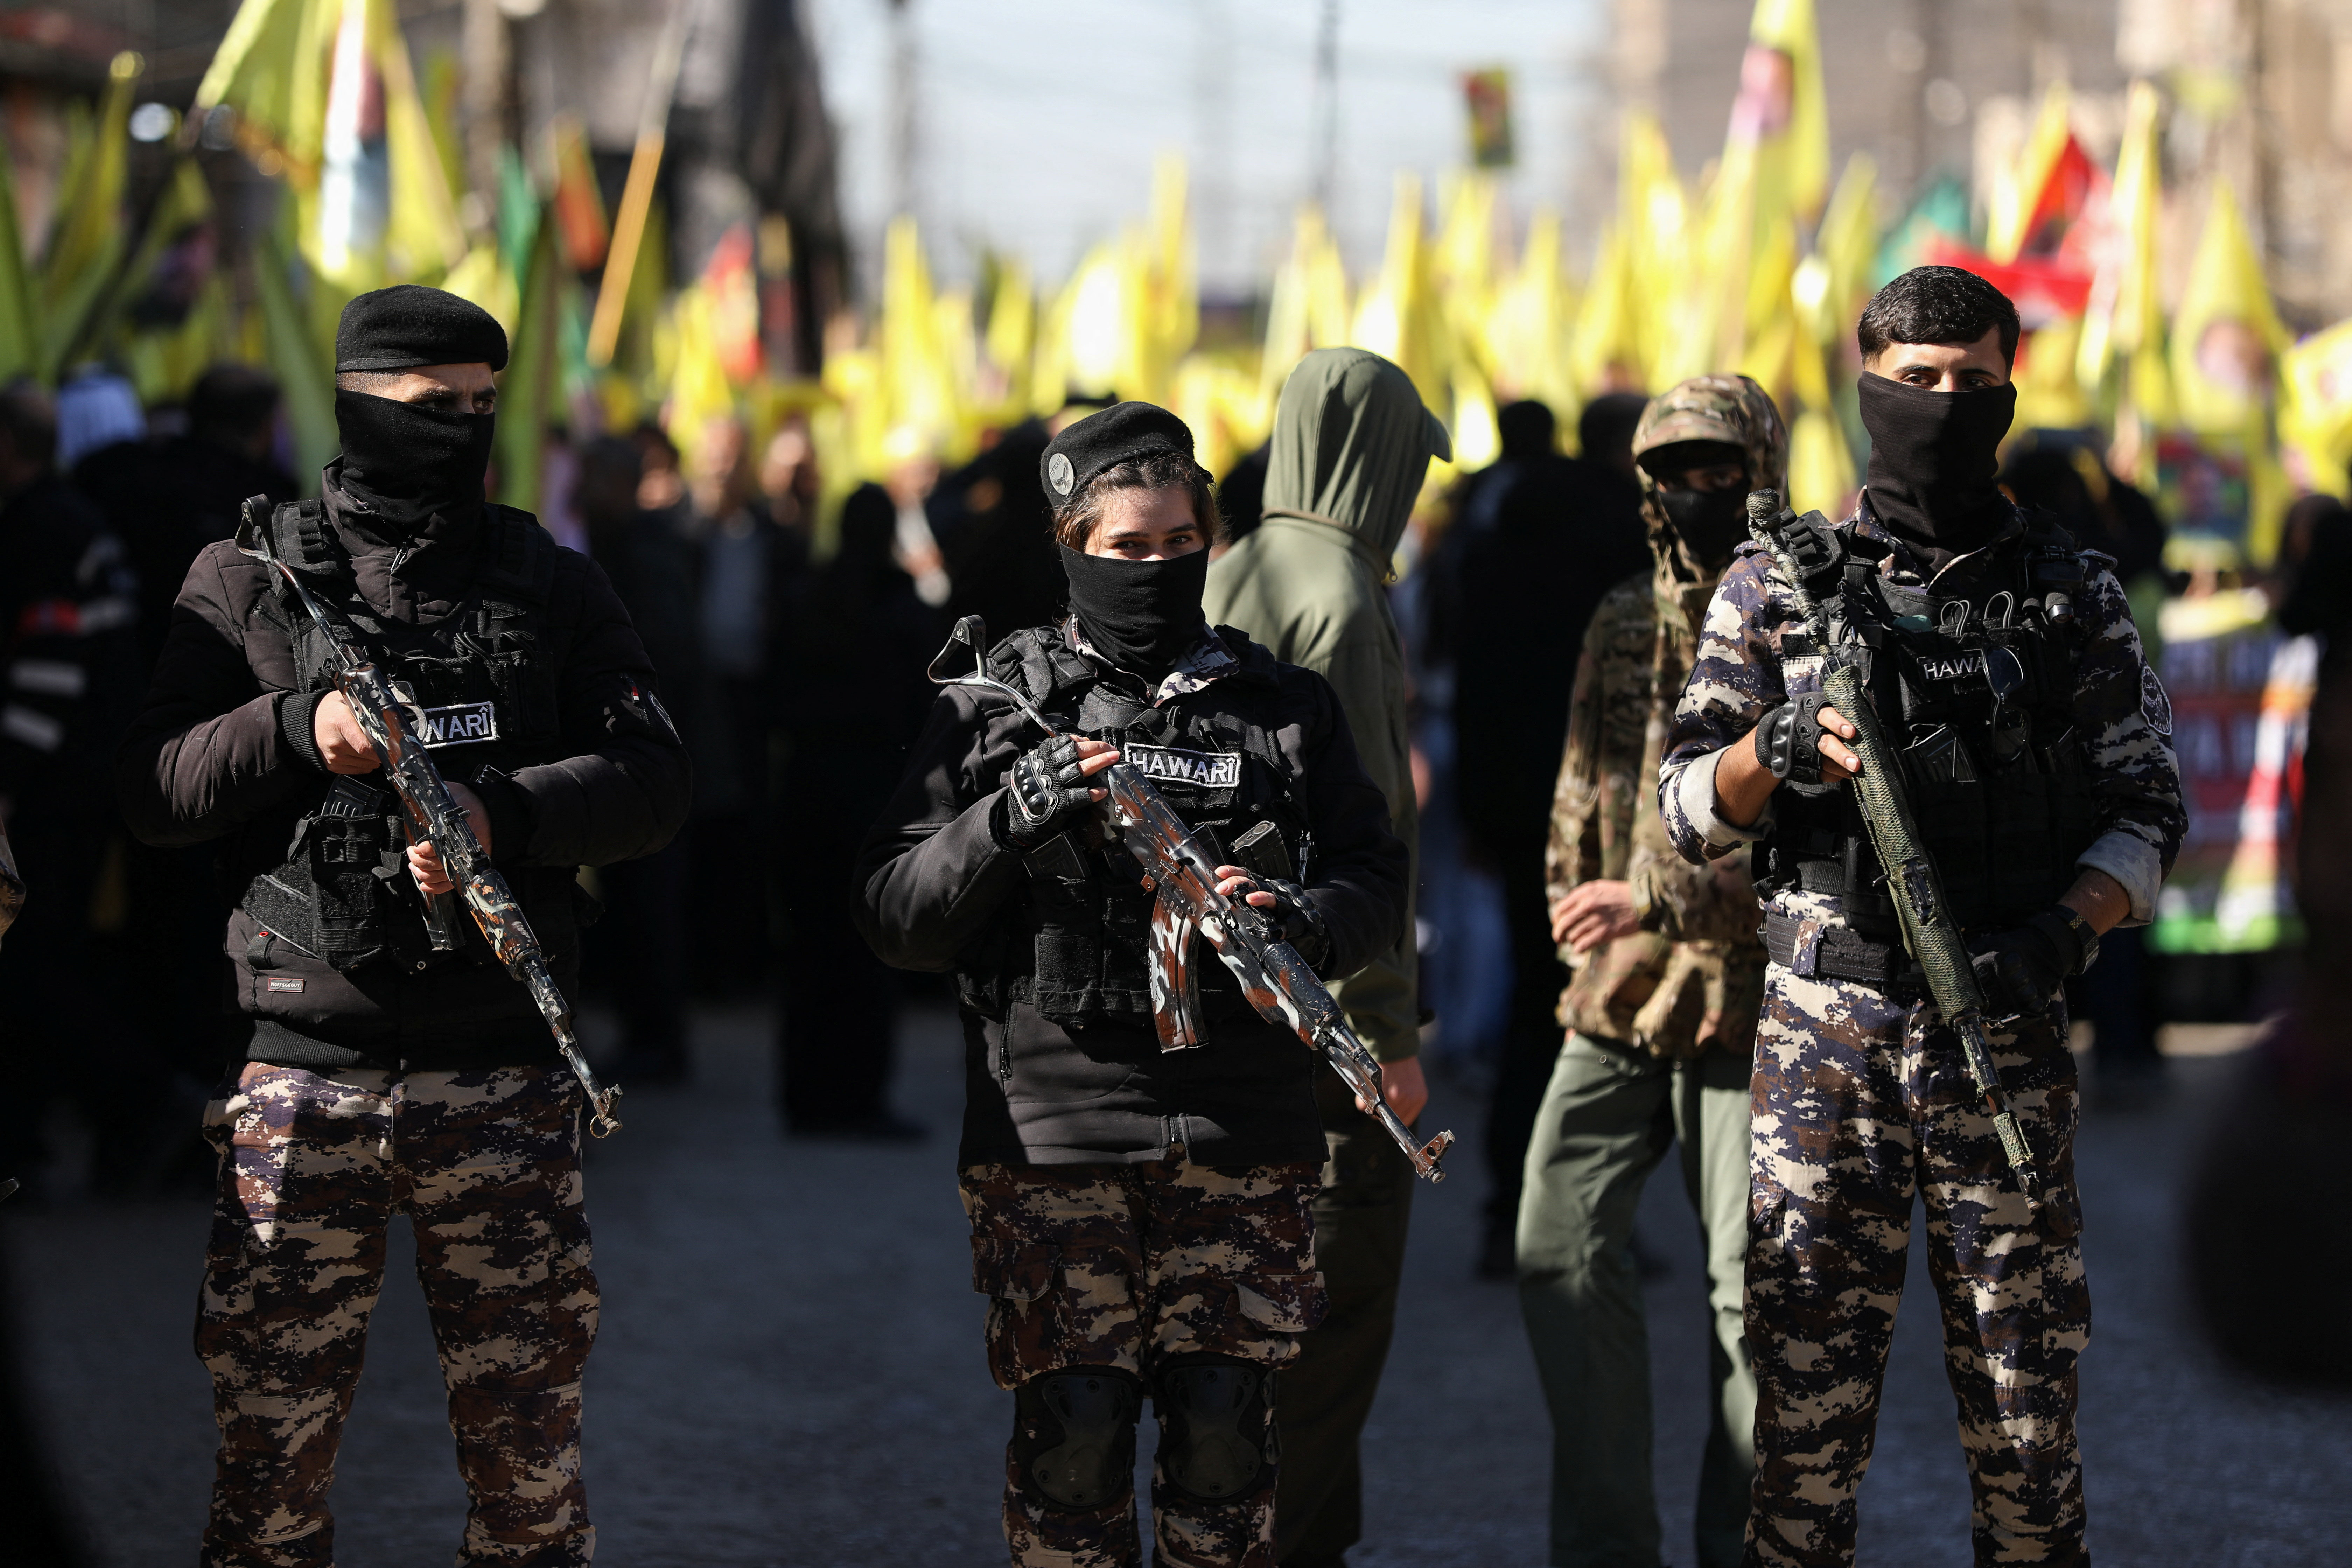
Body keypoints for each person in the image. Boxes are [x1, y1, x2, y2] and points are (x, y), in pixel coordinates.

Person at [115, 285, 692, 1568]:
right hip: (303, 1080)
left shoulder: (549, 580)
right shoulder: (247, 581)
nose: (466, 431)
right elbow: (150, 790)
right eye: (436, 409)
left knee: (527, 1479)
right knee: (267, 1475)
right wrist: (291, 731)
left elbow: (655, 780)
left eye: (485, 407)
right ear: (361, 404)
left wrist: (504, 815)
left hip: (500, 1077)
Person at [1658, 266, 2185, 1567]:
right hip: (1823, 1043)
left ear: (2010, 386)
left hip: (2003, 1031)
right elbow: (1682, 808)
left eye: (1971, 382)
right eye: (1915, 382)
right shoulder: (1772, 586)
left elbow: (2149, 808)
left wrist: (2065, 933)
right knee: (1804, 1433)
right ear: (1867, 385)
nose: (1943, 406)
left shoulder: (2071, 592)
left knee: (2025, 1420)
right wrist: (1769, 752)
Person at [854, 401, 1409, 1568]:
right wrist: (1006, 820)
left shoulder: (1282, 707)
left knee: (1224, 1432)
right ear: (1071, 548)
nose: (1158, 568)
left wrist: (1308, 919)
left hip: (1243, 1122)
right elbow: (896, 914)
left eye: (1179, 544)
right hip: (1057, 1130)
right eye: (1126, 547)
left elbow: (1374, 875)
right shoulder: (993, 710)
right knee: (1078, 1436)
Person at [1518, 375, 1783, 1568]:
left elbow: (1822, 824)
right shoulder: (1625, 615)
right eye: (1672, 470)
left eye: (1719, 466)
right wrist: (1580, 901)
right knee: (1556, 1239)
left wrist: (1670, 896)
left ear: (1763, 464)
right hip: (1623, 991)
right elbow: (1584, 784)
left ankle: (1745, 1546)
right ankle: (1609, 1546)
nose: (1695, 491)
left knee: (1752, 1298)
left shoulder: (1806, 615)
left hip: (1758, 990)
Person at [1199, 346, 1448, 1568]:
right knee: (1330, 1325)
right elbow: (1371, 846)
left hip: (1231, 1017)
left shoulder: (1234, 563)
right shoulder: (1342, 594)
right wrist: (1386, 1043)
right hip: (1327, 1035)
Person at [1451, 391, 1653, 1275]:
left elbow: (1473, 691)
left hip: (1518, 810)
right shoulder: (1624, 545)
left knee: (1537, 1005)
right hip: (1611, 820)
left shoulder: (1491, 545)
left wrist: (1484, 815)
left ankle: (1512, 1214)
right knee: (1606, 1014)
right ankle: (1591, 1217)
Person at [0, 381, 148, 1195]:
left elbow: (48, 672)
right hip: (84, 779)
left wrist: (7, 781)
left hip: (55, 792)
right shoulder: (65, 520)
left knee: (33, 964)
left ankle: (147, 1101)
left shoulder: (43, 529)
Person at [775, 477, 939, 1139]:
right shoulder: (900, 606)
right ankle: (858, 1097)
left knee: (811, 951)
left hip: (809, 796)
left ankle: (808, 1095)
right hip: (874, 800)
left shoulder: (808, 596)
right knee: (868, 952)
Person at [576, 433, 701, 1084]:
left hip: (647, 756)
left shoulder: (643, 555)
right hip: (630, 753)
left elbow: (663, 661)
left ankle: (657, 1039)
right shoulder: (622, 546)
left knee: (648, 906)